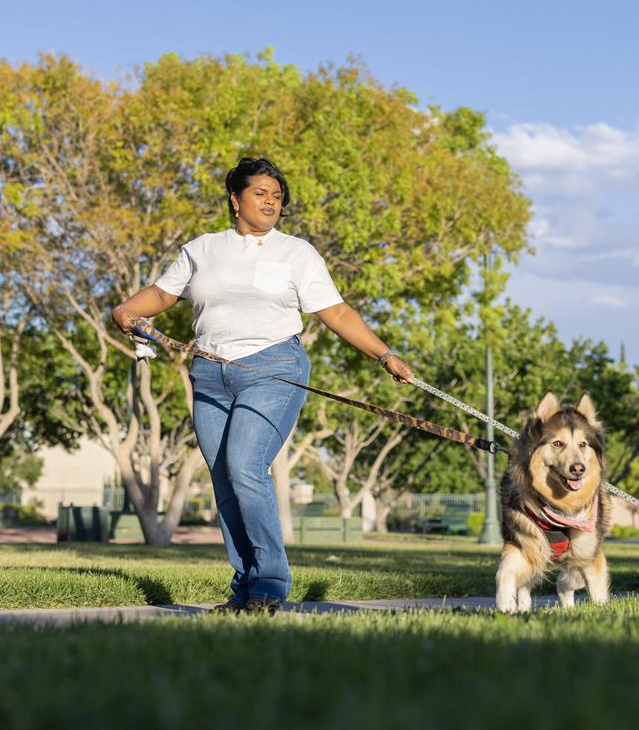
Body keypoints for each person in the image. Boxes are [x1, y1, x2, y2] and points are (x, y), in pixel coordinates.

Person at [111, 157, 413, 615]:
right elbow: (162, 295)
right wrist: (125, 312)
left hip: (274, 367)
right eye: (261, 193)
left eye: (277, 196)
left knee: (245, 465)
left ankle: (270, 586)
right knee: (225, 481)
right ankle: (247, 588)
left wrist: (384, 354)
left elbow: (336, 312)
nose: (271, 201)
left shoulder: (297, 253)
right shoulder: (202, 250)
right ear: (236, 200)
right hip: (210, 373)